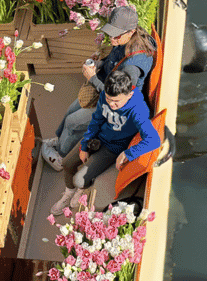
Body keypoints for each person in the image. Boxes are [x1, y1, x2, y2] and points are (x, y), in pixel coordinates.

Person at [41, 6, 156, 171]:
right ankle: (61, 141)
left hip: (114, 104)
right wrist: (99, 64)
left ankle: (60, 156)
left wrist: (93, 78)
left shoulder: (132, 67)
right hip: (106, 85)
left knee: (72, 122)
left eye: (115, 35)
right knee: (70, 110)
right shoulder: (127, 39)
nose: (111, 39)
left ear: (130, 32)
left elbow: (116, 97)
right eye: (110, 33)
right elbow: (113, 58)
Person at [51, 70, 161, 214]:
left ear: (129, 95)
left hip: (112, 148)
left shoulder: (138, 110)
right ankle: (68, 193)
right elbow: (96, 120)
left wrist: (128, 153)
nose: (111, 104)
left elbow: (154, 139)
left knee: (79, 180)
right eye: (109, 99)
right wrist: (84, 145)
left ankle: (82, 188)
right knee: (67, 163)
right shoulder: (105, 95)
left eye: (116, 101)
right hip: (97, 138)